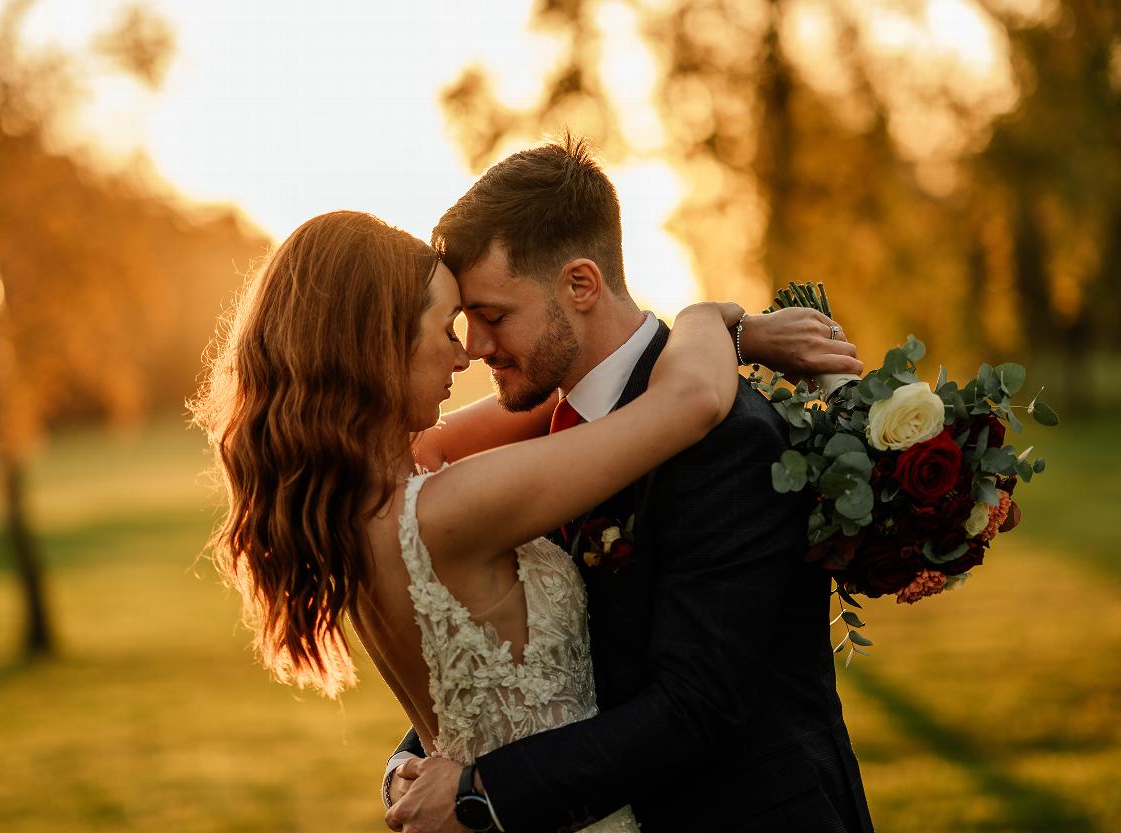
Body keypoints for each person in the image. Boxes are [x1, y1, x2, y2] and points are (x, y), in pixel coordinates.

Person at [191, 209, 754, 833]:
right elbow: (692, 400)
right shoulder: (451, 509)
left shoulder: (353, 505)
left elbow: (553, 396)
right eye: (447, 330)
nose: (465, 358)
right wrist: (712, 319)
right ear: (379, 348)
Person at [382, 138, 875, 833]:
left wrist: (477, 792)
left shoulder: (727, 434)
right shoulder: (562, 434)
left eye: (493, 315)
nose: (478, 348)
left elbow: (695, 705)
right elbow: (532, 655)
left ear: (580, 285)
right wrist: (414, 764)